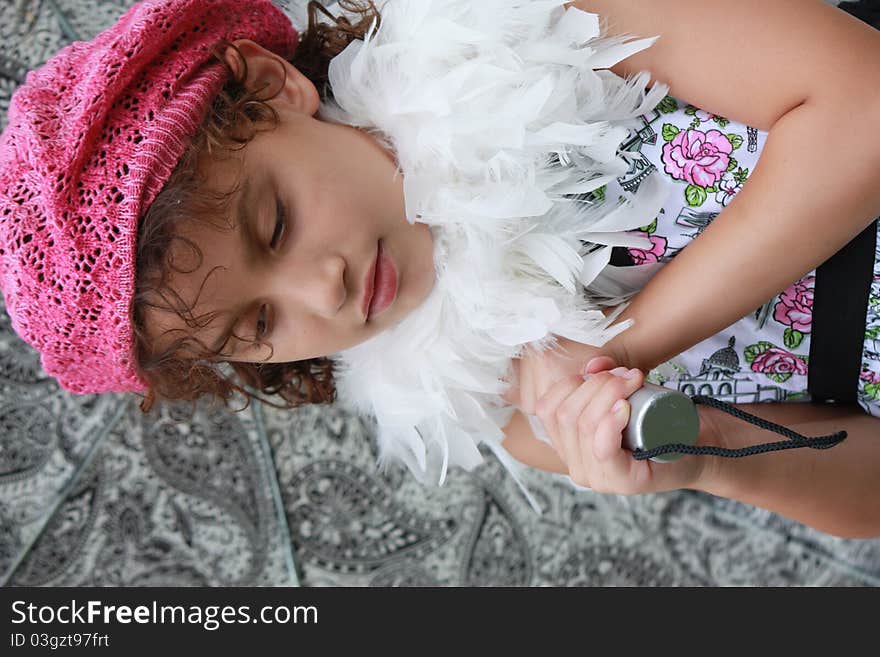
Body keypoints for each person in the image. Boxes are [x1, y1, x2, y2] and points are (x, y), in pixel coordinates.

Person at [0, 0, 878, 539]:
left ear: (272, 85)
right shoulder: (516, 409)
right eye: (257, 327)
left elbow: (866, 104)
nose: (323, 290)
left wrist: (622, 340)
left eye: (275, 224)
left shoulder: (557, 24)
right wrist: (707, 453)